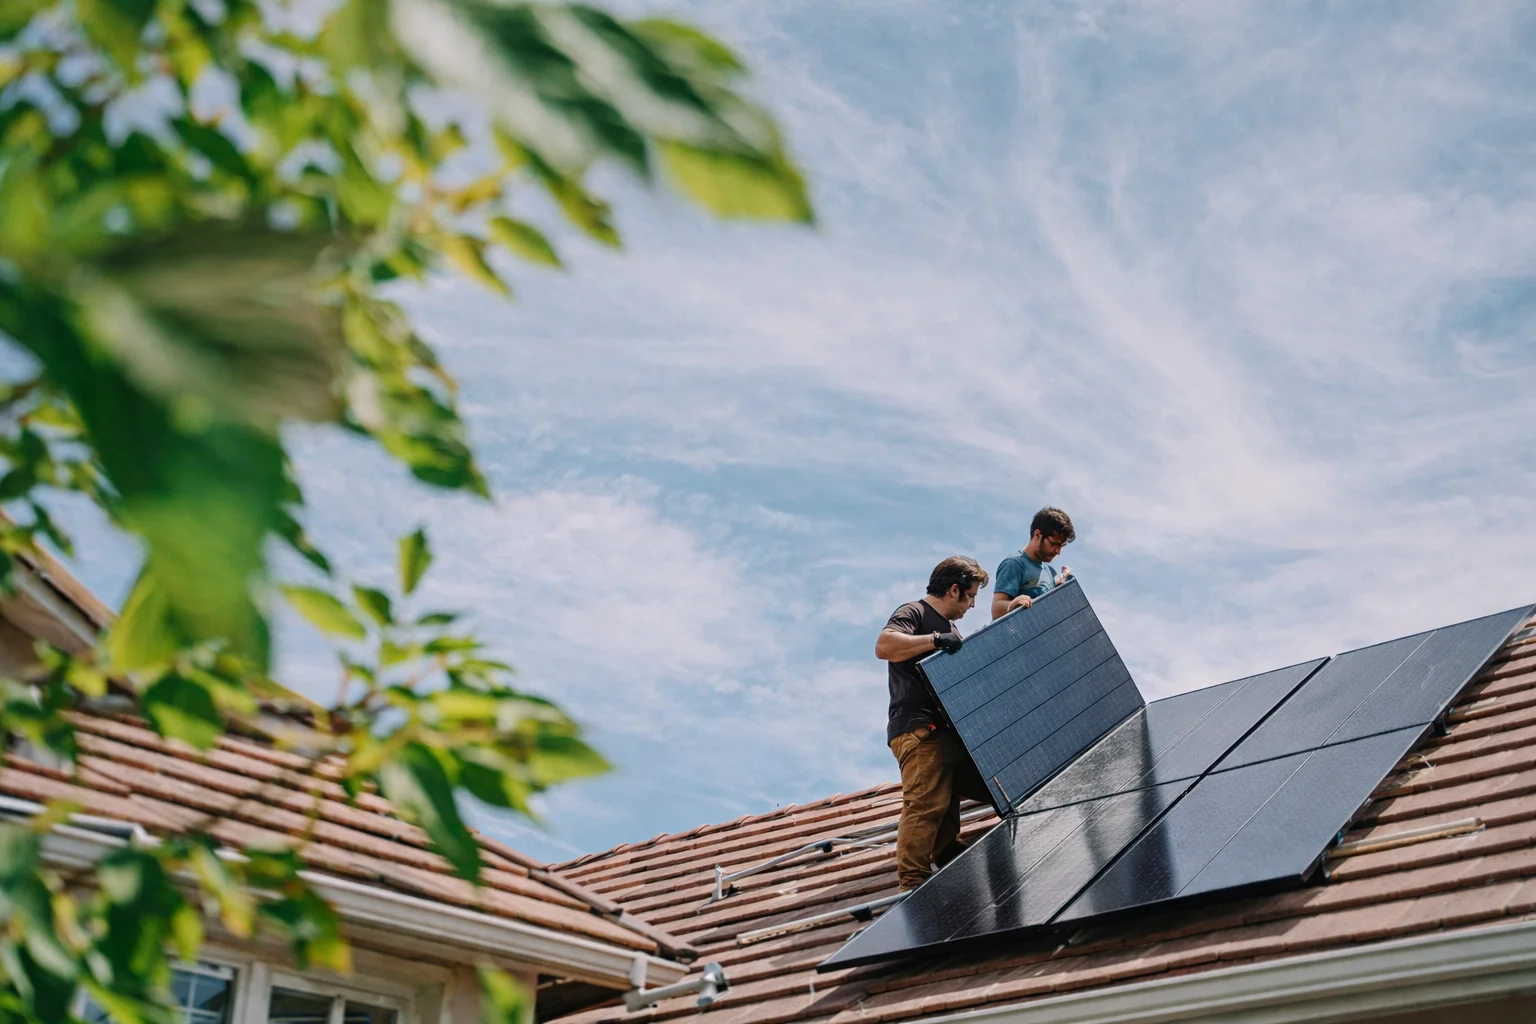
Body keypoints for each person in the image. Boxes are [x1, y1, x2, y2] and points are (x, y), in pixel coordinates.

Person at [875, 555, 992, 891]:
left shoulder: (952, 629)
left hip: (947, 734)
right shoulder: (914, 613)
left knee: (957, 795)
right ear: (953, 589)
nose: (971, 605)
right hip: (918, 729)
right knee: (926, 803)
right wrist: (935, 641)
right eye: (969, 596)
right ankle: (912, 884)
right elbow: (885, 646)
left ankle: (950, 860)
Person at [991, 507, 1076, 620]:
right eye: (1054, 544)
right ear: (1037, 535)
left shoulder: (1050, 572)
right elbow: (996, 610)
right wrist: (1015, 604)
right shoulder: (1014, 564)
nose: (1058, 552)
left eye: (1061, 546)